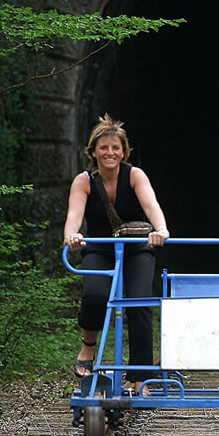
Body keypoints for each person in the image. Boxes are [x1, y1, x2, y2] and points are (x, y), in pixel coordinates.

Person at [63, 114, 169, 395]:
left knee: (138, 302)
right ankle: (88, 345)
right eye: (104, 148)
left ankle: (140, 376)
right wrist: (72, 236)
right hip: (99, 246)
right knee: (95, 294)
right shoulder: (84, 181)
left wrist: (161, 229)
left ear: (124, 152)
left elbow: (151, 205)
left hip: (136, 246)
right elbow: (74, 215)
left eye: (116, 148)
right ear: (93, 151)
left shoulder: (135, 175)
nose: (110, 153)